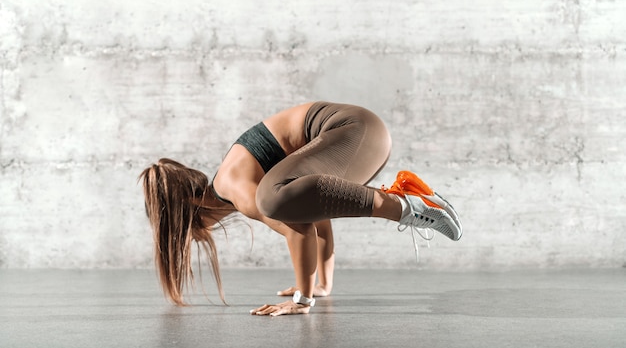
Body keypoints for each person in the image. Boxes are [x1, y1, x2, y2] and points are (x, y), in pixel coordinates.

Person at [139, 101, 462, 316]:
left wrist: (302, 300)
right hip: (365, 134)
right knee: (294, 200)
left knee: (273, 200)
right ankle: (411, 195)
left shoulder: (233, 187)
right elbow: (314, 213)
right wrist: (322, 284)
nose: (198, 236)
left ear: (191, 206)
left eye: (190, 231)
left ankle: (406, 206)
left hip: (353, 131)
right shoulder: (234, 179)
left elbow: (299, 229)